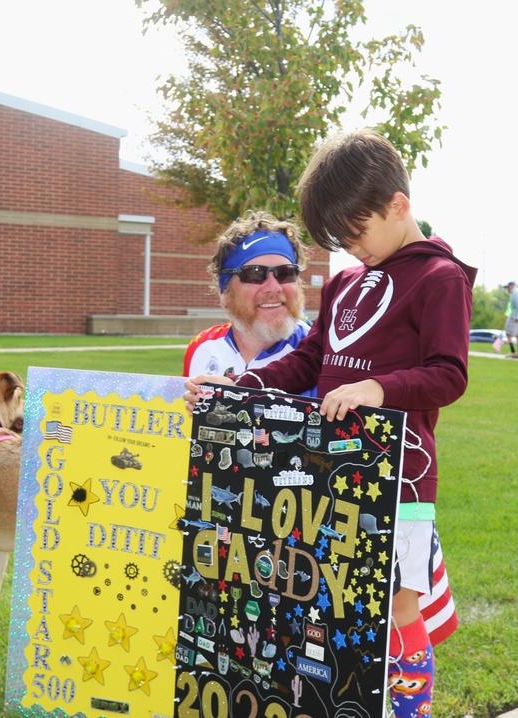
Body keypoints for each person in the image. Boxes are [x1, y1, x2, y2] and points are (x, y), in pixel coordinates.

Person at [185, 128, 476, 718]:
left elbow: (449, 374)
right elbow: (306, 361)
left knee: (398, 608)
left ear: (398, 205)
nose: (350, 248)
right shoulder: (344, 282)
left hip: (400, 478)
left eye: (356, 232)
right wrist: (241, 389)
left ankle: (408, 711)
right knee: (334, 610)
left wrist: (378, 389)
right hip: (325, 476)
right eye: (339, 239)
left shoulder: (439, 279)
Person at [183, 210, 316, 396]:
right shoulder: (203, 346)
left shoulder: (322, 355)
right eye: (255, 273)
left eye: (286, 272)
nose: (274, 287)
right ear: (225, 293)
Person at [504, 281, 518, 358]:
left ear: (511, 286)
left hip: (515, 317)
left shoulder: (515, 294)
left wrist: (517, 317)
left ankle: (513, 351)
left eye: (508, 287)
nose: (507, 289)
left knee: (508, 333)